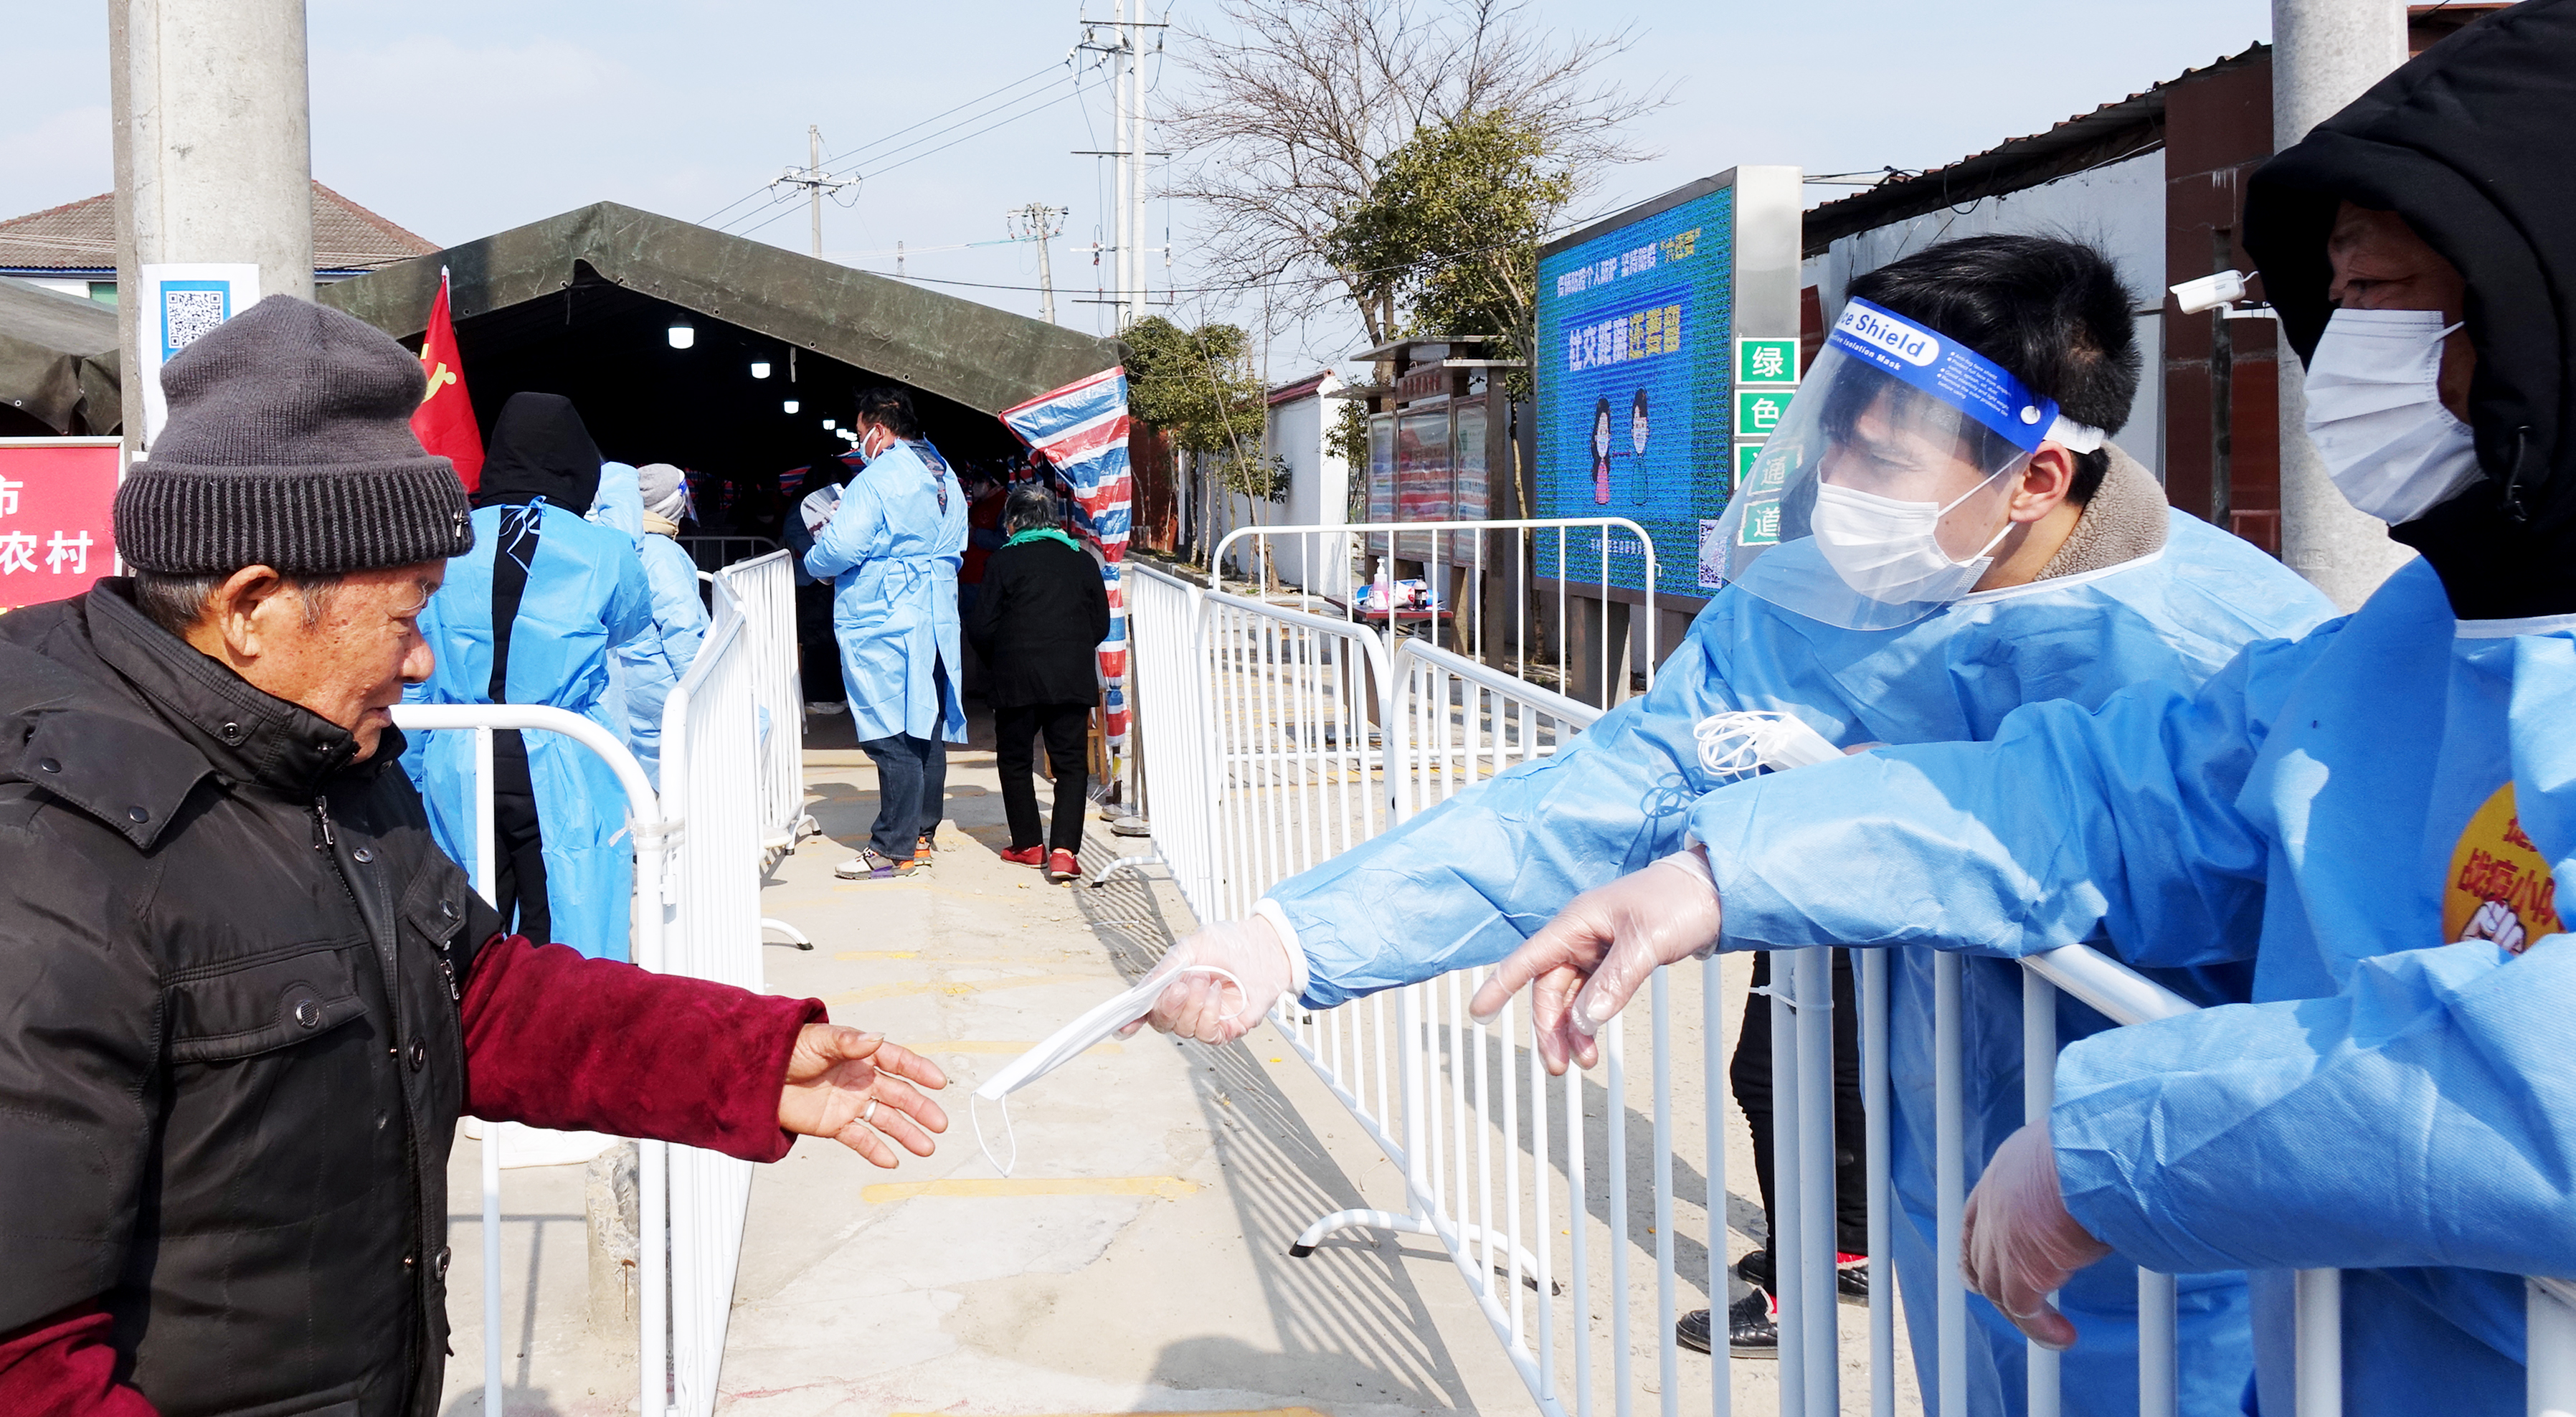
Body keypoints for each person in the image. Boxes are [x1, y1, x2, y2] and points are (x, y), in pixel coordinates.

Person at [1463, 8, 2576, 1413]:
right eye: (2335, 304)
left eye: (2385, 300)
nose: (2340, 359)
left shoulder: (2223, 614)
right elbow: (2118, 792)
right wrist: (1722, 869)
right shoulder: (2418, 635)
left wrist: (2113, 1138)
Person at [1135, 234, 2339, 1408]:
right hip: (1943, 1183)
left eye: (1887, 464)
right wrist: (1292, 939)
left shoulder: (2231, 649)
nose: (1841, 491)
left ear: (2033, 478)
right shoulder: (1812, 612)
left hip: (2166, 1227)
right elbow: (1587, 808)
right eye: (1839, 447)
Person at [0, 295, 949, 1416]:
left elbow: (472, 992)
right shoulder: (53, 851)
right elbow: (29, 1361)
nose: (418, 667)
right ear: (254, 606)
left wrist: (743, 1062)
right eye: (406, 619)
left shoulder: (318, 757)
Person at [407, 392, 649, 960]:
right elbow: (628, 626)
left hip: (457, 752)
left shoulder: (443, 539)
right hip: (561, 754)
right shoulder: (605, 549)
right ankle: (557, 1026)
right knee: (563, 909)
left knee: (466, 906)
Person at [805, 386, 969, 882]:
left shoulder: (877, 479)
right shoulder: (944, 474)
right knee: (926, 726)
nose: (858, 445)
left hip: (886, 612)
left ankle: (891, 847)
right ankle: (920, 833)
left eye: (859, 434)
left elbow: (842, 546)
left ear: (878, 429)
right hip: (935, 608)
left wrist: (815, 560)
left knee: (889, 729)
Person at [967, 481, 1112, 883]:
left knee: (1015, 759)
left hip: (1016, 677)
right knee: (1069, 764)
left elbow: (981, 627)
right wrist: (1071, 649)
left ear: (1012, 522)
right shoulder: (1082, 561)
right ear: (1051, 520)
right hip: (1070, 676)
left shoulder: (1002, 561)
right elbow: (1100, 623)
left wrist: (1002, 658)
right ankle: (1065, 852)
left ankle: (1029, 845)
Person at [587, 460, 711, 787]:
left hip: (625, 679)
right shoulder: (661, 552)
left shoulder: (611, 543)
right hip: (661, 680)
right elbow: (681, 627)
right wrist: (700, 684)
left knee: (641, 766)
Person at [783, 445, 855, 715]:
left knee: (832, 636)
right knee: (816, 637)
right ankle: (819, 693)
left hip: (829, 578)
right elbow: (798, 536)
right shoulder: (800, 509)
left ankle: (834, 691)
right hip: (811, 580)